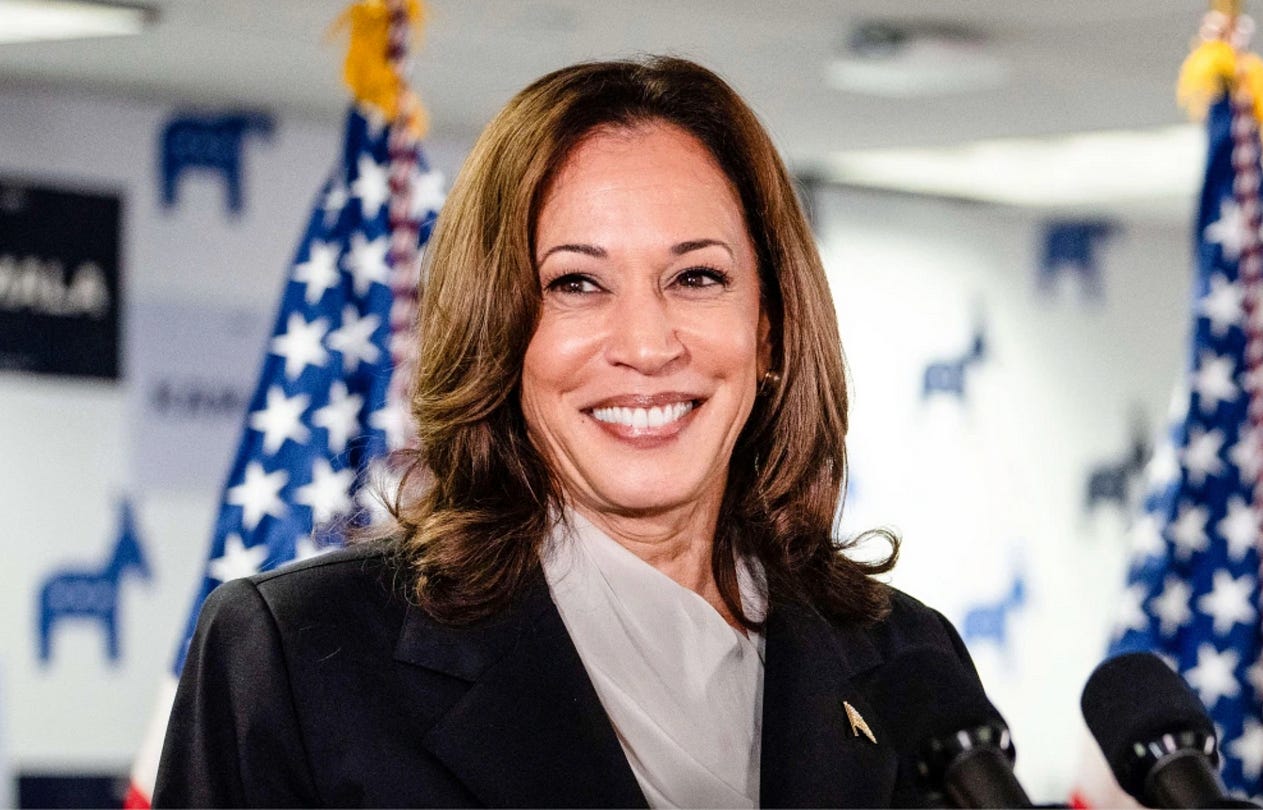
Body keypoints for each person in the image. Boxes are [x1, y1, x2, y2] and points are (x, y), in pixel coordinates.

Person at [154, 55, 994, 808]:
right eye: (576, 284)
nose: (645, 345)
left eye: (696, 276)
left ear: (769, 331)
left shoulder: (905, 658)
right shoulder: (297, 655)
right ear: (498, 333)